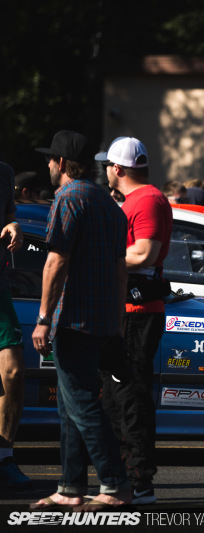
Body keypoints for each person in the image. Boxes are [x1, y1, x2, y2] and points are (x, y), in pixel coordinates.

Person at [30, 130, 130, 510]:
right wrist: (118, 322)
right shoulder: (108, 204)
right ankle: (69, 488)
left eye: (50, 159)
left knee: (82, 404)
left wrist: (43, 318)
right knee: (70, 406)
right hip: (101, 319)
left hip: (73, 319)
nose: (48, 165)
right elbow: (120, 270)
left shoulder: (69, 198)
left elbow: (56, 261)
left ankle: (115, 485)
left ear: (60, 163)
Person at [96, 137, 172, 505]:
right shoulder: (134, 201)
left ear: (117, 169)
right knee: (115, 399)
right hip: (123, 312)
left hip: (138, 315)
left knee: (130, 399)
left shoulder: (148, 200)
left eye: (106, 166)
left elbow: (144, 253)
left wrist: (96, 256)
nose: (104, 172)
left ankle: (140, 484)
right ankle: (122, 483)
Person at [0, 162, 30, 490]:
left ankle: (4, 458)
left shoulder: (5, 173)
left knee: (13, 371)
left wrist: (14, 225)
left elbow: (9, 215)